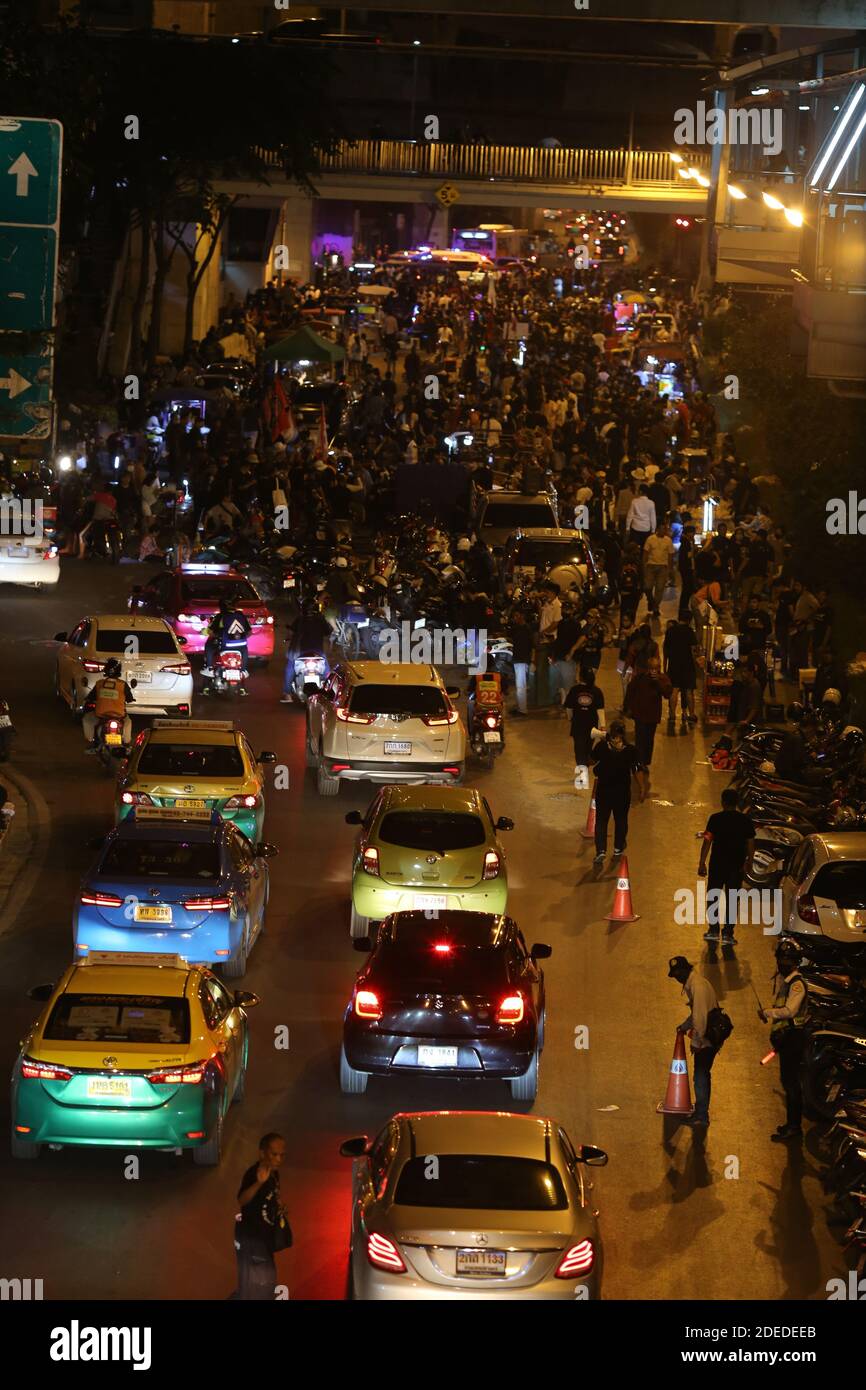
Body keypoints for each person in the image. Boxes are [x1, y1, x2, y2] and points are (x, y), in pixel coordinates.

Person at [758, 938, 810, 1143]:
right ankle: (791, 1124)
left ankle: (794, 1127)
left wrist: (768, 1013)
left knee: (791, 1084)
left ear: (792, 962)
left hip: (794, 1039)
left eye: (783, 960)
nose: (780, 963)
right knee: (787, 1082)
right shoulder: (787, 981)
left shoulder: (797, 985)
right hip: (787, 1039)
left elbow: (790, 1011)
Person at [232, 1133, 291, 1300]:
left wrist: (280, 1206)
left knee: (257, 1283)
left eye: (282, 1155)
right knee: (263, 1283)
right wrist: (259, 1183)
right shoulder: (253, 1174)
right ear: (262, 1153)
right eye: (274, 1154)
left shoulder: (274, 1173)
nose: (279, 1159)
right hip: (252, 1238)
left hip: (264, 1238)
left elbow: (272, 1196)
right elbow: (242, 1200)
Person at [697, 787, 756, 943]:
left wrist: (702, 862)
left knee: (713, 898)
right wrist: (749, 862)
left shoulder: (715, 819)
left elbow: (707, 840)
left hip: (717, 865)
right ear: (737, 803)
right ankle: (728, 933)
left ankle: (713, 930)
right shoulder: (745, 821)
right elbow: (750, 843)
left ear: (723, 802)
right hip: (736, 867)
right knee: (732, 899)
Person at [669, 955, 720, 1129]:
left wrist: (696, 1043)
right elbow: (697, 1014)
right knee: (702, 1074)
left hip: (707, 1039)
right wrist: (683, 1027)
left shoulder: (697, 986)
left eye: (677, 974)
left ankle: (701, 1116)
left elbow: (700, 1018)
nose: (676, 978)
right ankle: (700, 1112)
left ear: (685, 970)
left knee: (700, 1076)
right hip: (709, 1034)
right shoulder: (695, 983)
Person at [590, 718, 647, 863]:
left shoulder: (602, 747)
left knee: (601, 821)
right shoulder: (631, 751)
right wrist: (642, 787)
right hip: (621, 792)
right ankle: (618, 849)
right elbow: (637, 769)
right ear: (623, 734)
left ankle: (601, 851)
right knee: (621, 820)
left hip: (604, 790)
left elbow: (590, 761)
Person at [623, 654, 672, 769]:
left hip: (652, 715)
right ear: (648, 668)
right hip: (640, 714)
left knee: (649, 739)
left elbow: (667, 694)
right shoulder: (639, 678)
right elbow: (630, 692)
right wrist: (628, 708)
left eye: (656, 668)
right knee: (640, 738)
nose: (654, 671)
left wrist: (657, 682)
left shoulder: (663, 678)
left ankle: (645, 761)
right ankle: (640, 762)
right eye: (652, 668)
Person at [281, 601, 333, 703]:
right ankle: (330, 692)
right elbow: (328, 631)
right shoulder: (320, 620)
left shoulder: (299, 620)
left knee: (290, 668)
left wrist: (288, 637)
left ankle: (287, 694)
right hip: (317, 652)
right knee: (327, 671)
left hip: (299, 652)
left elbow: (291, 632)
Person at [82, 658, 134, 750]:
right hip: (119, 716)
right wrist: (130, 699)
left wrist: (89, 699)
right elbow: (129, 698)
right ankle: (126, 743)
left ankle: (92, 742)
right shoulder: (123, 685)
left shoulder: (99, 684)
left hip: (101, 715)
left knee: (87, 719)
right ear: (119, 671)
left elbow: (91, 696)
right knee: (128, 722)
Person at [203, 596, 252, 691]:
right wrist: (240, 638)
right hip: (241, 647)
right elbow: (249, 633)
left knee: (209, 646)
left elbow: (210, 632)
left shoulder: (221, 616)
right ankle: (244, 670)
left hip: (225, 645)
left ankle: (209, 668)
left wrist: (218, 636)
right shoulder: (241, 615)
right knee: (245, 649)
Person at [565, 666, 604, 779]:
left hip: (578, 725)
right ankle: (584, 768)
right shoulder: (597, 691)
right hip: (591, 726)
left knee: (579, 749)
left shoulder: (574, 690)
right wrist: (603, 726)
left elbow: (569, 708)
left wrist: (570, 718)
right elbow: (600, 710)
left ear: (580, 677)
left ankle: (583, 771)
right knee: (587, 749)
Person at [663, 617, 699, 732]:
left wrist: (665, 665)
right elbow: (694, 650)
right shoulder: (689, 631)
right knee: (688, 691)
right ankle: (691, 714)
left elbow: (666, 649)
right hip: (687, 665)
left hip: (674, 664)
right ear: (688, 620)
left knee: (674, 690)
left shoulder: (670, 631)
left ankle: (672, 715)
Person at [641, 522, 674, 617]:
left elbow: (670, 555)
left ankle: (655, 607)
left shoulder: (668, 540)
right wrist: (644, 565)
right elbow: (645, 553)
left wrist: (670, 569)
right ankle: (650, 601)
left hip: (663, 567)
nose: (664, 531)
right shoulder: (650, 539)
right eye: (662, 529)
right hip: (650, 566)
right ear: (657, 529)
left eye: (665, 529)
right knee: (647, 587)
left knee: (660, 589)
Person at [508, 606, 535, 716]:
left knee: (521, 686)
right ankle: (521, 707)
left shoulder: (526, 629)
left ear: (522, 616)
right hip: (519, 659)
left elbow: (532, 646)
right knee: (521, 685)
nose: (515, 618)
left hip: (522, 660)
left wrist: (532, 660)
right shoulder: (517, 628)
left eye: (516, 616)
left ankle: (522, 710)